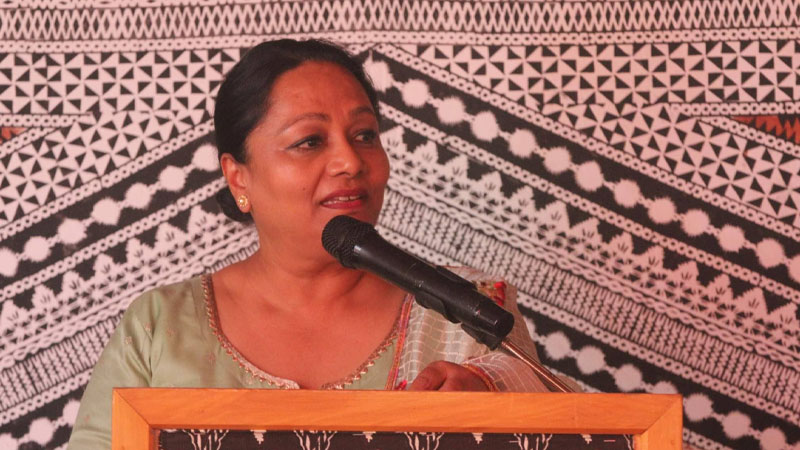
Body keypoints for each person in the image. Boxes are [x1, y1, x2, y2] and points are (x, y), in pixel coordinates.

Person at [67, 39, 548, 450]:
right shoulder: (159, 327)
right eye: (310, 141)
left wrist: (496, 399)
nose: (350, 162)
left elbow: (568, 424)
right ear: (238, 176)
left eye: (364, 135)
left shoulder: (467, 312)